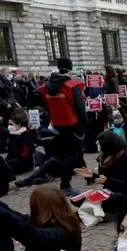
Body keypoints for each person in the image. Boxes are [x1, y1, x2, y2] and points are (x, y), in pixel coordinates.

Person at [39, 57, 87, 197]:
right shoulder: (72, 85)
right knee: (72, 154)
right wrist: (84, 124)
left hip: (57, 123)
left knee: (75, 152)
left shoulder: (46, 86)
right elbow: (80, 106)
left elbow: (44, 103)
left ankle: (88, 176)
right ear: (70, 69)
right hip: (73, 123)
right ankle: (65, 184)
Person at [74, 130, 127, 216]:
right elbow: (105, 178)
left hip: (122, 196)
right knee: (79, 200)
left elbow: (125, 185)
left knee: (101, 203)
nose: (97, 143)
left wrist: (106, 181)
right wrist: (92, 175)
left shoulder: (125, 160)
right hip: (108, 192)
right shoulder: (105, 156)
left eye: (99, 143)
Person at [5, 110, 36, 175]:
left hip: (24, 164)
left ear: (19, 124)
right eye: (8, 124)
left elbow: (25, 156)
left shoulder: (26, 135)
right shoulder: (12, 135)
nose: (9, 126)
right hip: (13, 160)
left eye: (11, 124)